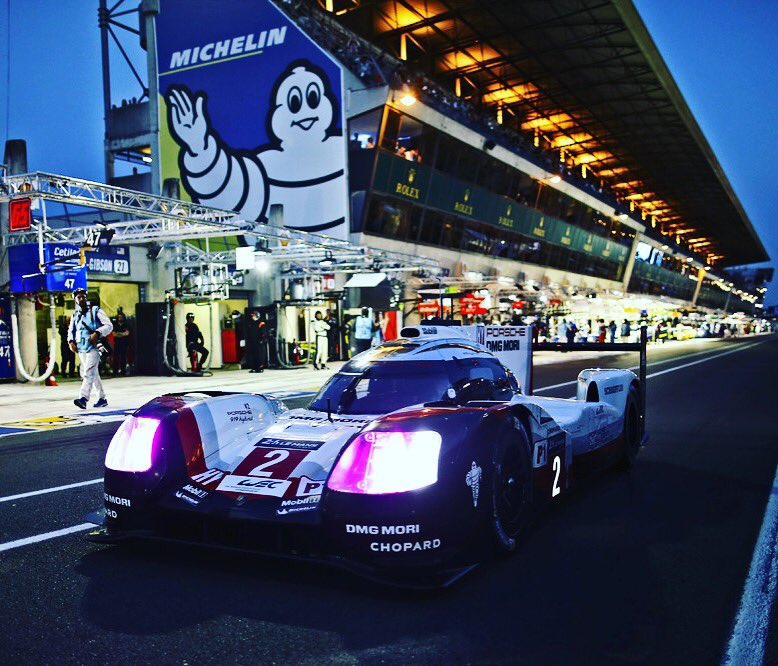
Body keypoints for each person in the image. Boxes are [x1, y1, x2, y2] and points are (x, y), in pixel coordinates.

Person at [67, 288, 112, 409]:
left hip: (94, 347)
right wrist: (71, 341)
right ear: (75, 300)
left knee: (88, 373)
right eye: (78, 297)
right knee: (93, 373)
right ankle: (102, 398)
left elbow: (109, 325)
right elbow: (71, 330)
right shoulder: (75, 315)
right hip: (81, 348)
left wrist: (97, 333)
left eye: (83, 296)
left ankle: (83, 398)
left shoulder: (95, 311)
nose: (81, 299)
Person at [112, 311, 130, 376]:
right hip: (117, 344)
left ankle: (123, 372)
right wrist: (122, 334)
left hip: (124, 344)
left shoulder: (126, 324)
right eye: (119, 317)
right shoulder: (115, 325)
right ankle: (115, 372)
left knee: (123, 358)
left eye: (121, 317)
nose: (120, 318)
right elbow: (114, 334)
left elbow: (127, 333)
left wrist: (119, 334)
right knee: (116, 358)